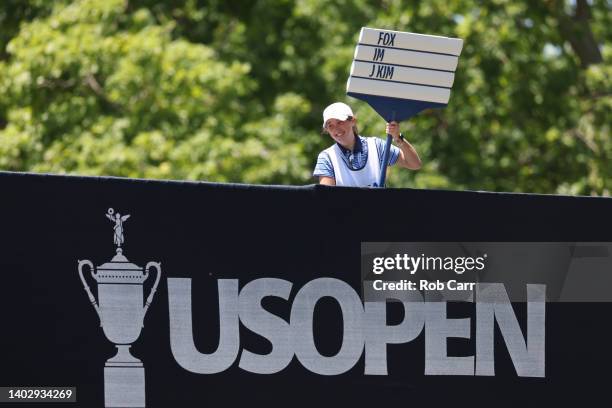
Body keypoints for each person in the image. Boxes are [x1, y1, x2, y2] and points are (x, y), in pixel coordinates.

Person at [313, 102, 421, 187]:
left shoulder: (377, 146)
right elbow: (326, 199)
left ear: (353, 121)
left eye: (340, 122)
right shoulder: (326, 157)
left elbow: (414, 164)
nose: (336, 129)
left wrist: (397, 137)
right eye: (330, 126)